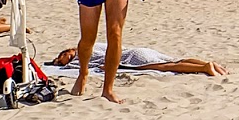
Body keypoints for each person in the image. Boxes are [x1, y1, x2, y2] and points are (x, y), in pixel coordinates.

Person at [51, 45, 227, 77]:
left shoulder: (82, 53)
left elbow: (77, 65)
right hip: (137, 51)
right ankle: (209, 64)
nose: (62, 61)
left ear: (69, 51)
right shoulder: (95, 44)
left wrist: (58, 63)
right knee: (173, 60)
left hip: (131, 58)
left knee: (167, 67)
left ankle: (205, 67)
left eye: (62, 57)